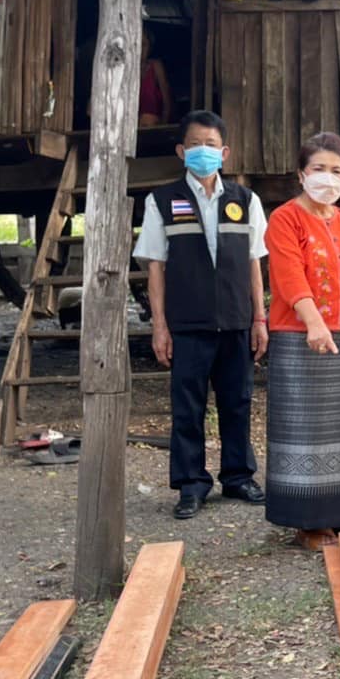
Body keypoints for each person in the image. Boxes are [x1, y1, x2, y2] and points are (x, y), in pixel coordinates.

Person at [133, 110, 270, 520]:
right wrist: (159, 326)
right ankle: (191, 485)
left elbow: (254, 263)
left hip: (236, 322)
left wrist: (259, 319)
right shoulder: (161, 201)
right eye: (195, 145)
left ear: (224, 152)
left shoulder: (245, 201)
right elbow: (155, 265)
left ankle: (238, 476)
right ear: (181, 151)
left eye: (211, 145)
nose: (203, 152)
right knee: (187, 407)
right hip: (187, 325)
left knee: (237, 401)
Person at [263, 132, 340, 547]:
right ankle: (310, 523)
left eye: (337, 171)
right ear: (301, 174)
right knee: (306, 432)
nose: (328, 178)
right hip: (301, 337)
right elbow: (288, 276)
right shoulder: (285, 219)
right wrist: (315, 324)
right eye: (319, 169)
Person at [138, 28, 173, 128]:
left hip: (153, 124)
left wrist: (163, 125)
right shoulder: (127, 69)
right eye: (137, 44)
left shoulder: (156, 66)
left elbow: (167, 100)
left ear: (150, 48)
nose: (141, 49)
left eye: (144, 45)